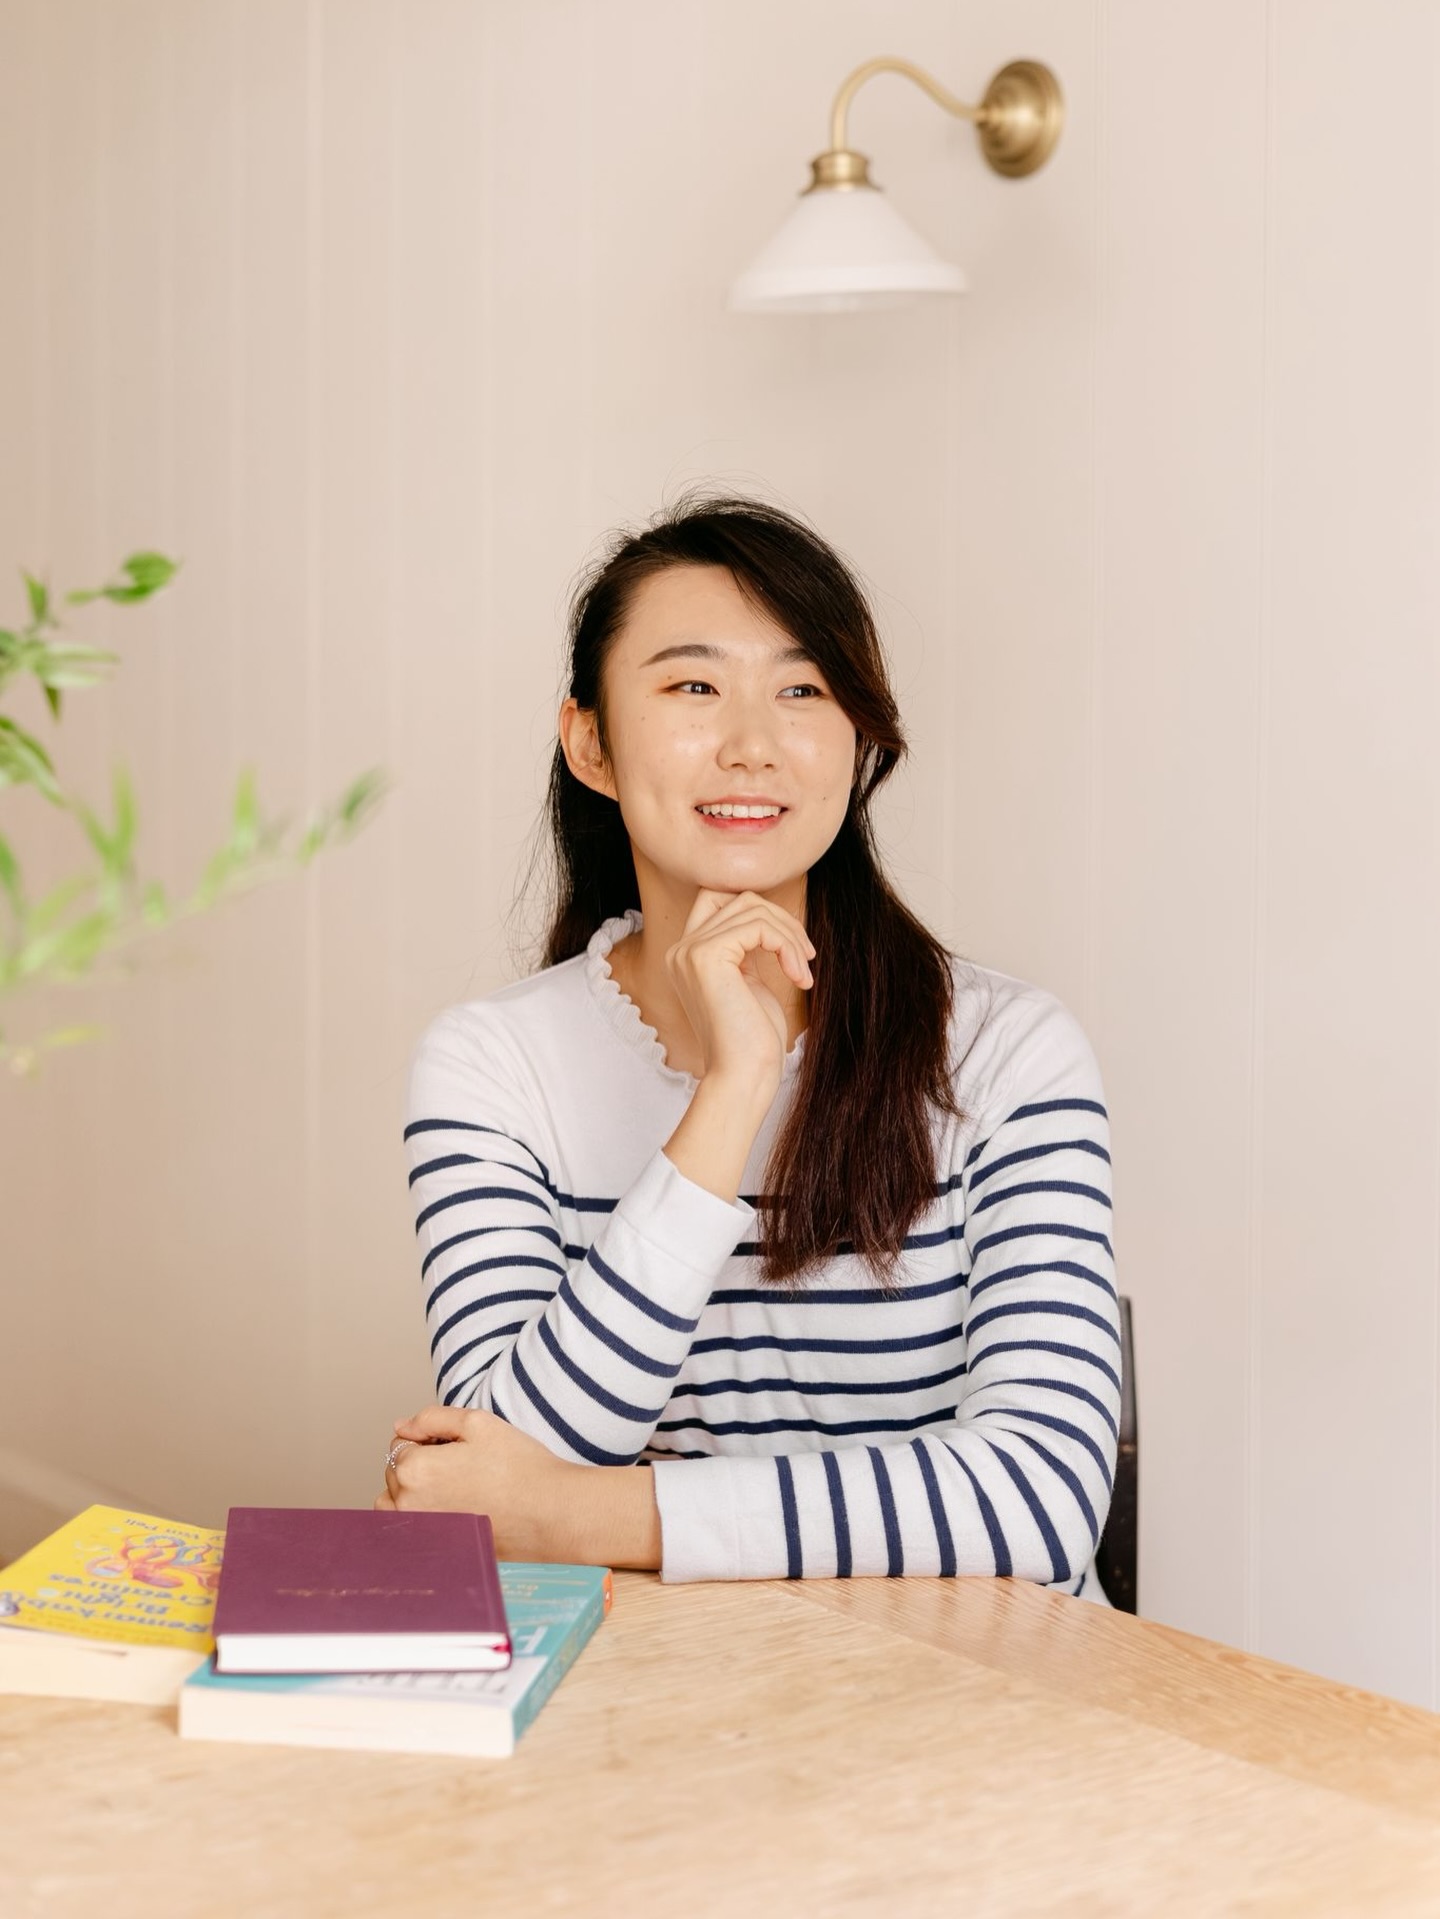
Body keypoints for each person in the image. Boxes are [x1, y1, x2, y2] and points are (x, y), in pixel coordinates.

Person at [377, 495, 1120, 1602]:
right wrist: (731, 1094)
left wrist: (594, 1514)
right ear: (591, 741)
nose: (752, 744)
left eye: (803, 690)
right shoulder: (493, 1067)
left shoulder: (1009, 1052)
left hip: (979, 1720)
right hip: (660, 1710)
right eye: (691, 685)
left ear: (858, 738)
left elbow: (1041, 1501)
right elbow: (504, 1469)